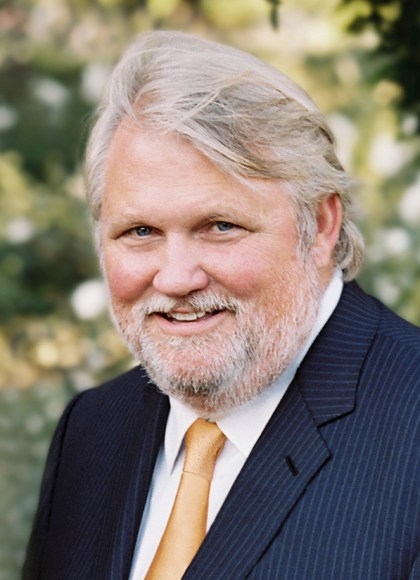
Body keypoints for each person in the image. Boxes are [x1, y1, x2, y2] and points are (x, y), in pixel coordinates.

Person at [23, 31, 419, 579]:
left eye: (220, 226)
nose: (176, 277)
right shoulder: (91, 432)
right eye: (140, 231)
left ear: (321, 224)